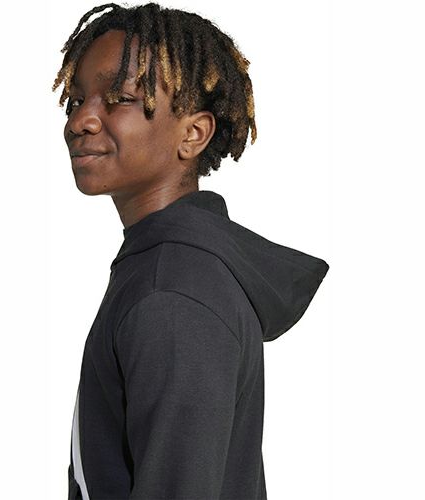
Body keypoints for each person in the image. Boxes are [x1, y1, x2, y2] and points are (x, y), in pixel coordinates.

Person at [52, 3, 329, 499]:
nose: (81, 121)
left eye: (119, 99)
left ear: (193, 134)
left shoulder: (173, 293)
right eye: (76, 100)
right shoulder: (162, 269)